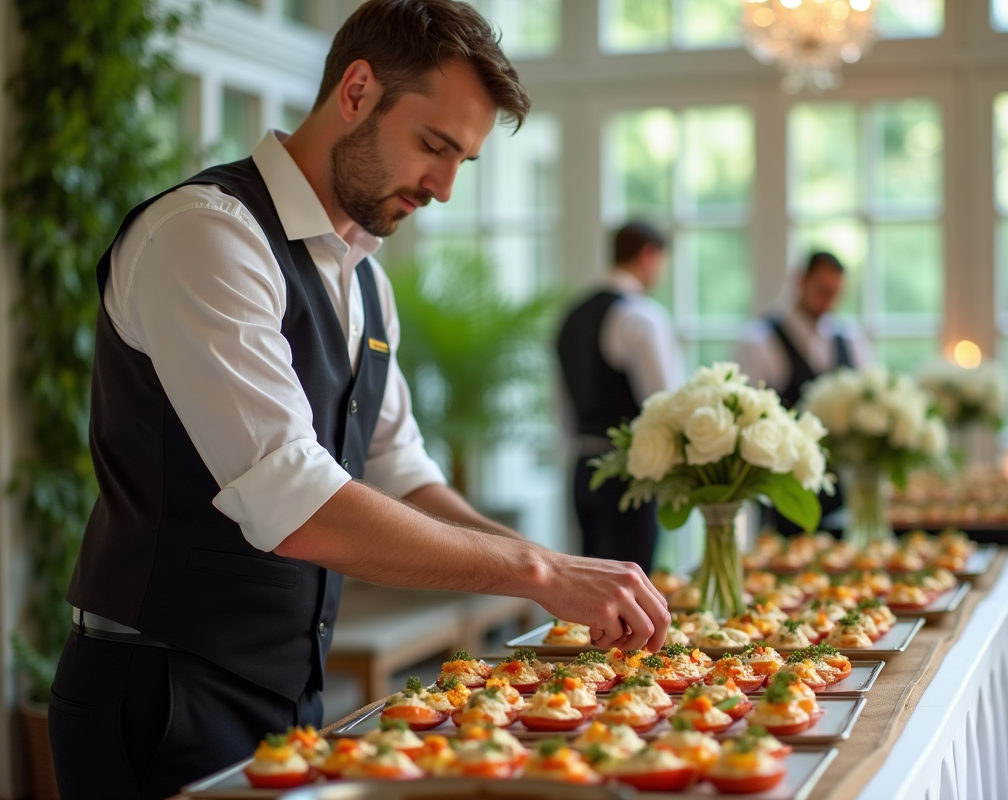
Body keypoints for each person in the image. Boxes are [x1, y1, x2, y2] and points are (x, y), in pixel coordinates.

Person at [49, 3, 669, 797]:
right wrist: (538, 570)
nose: (443, 187)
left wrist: (556, 572)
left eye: (462, 162)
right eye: (433, 146)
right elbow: (297, 502)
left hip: (289, 695)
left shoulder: (366, 280)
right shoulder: (207, 235)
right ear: (356, 91)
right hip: (159, 694)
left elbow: (400, 471)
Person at [556, 221, 684, 574]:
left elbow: (563, 406)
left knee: (589, 585)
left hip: (582, 470)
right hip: (630, 477)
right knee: (633, 589)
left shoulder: (571, 315)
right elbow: (665, 405)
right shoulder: (640, 315)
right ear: (648, 256)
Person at [734, 251, 870, 531]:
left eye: (835, 292)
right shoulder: (760, 340)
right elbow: (744, 418)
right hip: (782, 491)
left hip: (838, 489)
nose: (828, 300)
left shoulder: (850, 338)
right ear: (801, 281)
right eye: (822, 290)